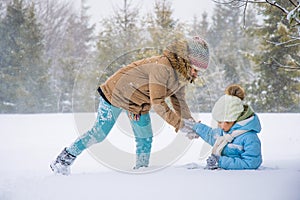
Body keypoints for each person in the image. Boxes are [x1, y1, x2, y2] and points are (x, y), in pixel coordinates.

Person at [50, 36, 210, 175]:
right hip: (115, 93)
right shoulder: (163, 67)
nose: (196, 74)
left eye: (199, 72)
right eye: (195, 69)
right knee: (99, 133)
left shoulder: (181, 75)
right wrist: (179, 125)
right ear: (186, 61)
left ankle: (141, 171)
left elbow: (179, 101)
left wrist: (191, 124)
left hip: (136, 103)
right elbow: (158, 102)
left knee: (145, 138)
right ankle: (63, 160)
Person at [187, 84, 262, 170]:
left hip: (239, 180)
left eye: (224, 122)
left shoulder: (249, 138)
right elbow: (210, 135)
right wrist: (196, 127)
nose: (221, 126)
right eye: (218, 122)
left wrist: (220, 161)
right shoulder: (224, 132)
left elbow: (251, 163)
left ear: (234, 119)